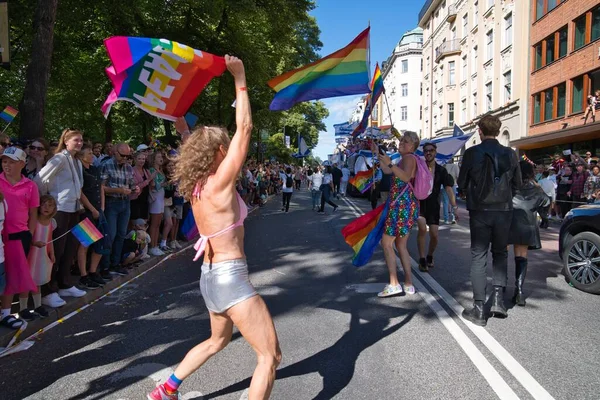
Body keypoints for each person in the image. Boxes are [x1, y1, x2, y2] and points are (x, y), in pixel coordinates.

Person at [148, 56, 281, 400]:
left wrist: (182, 126)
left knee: (217, 340)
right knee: (270, 356)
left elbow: (188, 141)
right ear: (221, 151)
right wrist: (240, 78)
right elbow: (246, 129)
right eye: (227, 146)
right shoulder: (221, 181)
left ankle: (166, 389)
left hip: (209, 277)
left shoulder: (195, 185)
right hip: (229, 275)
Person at [457, 115, 521, 326]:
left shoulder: (472, 152)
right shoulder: (510, 153)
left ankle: (478, 309)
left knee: (478, 255)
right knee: (501, 253)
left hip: (480, 209)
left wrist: (468, 192)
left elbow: (462, 181)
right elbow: (517, 183)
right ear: (498, 129)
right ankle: (497, 300)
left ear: (480, 131)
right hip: (503, 209)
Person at [36, 129, 86, 308]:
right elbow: (40, 179)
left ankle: (64, 283)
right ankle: (48, 290)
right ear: (66, 141)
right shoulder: (58, 159)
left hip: (74, 209)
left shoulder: (77, 161)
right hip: (60, 209)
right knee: (55, 250)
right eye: (76, 140)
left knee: (70, 248)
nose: (79, 143)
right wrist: (47, 203)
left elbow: (78, 187)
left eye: (81, 140)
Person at [372, 132, 420, 297]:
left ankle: (394, 284)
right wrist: (380, 155)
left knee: (386, 244)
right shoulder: (405, 159)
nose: (401, 143)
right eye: (401, 140)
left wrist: (390, 164)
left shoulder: (409, 158)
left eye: (406, 142)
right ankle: (409, 284)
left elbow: (405, 177)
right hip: (406, 206)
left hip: (400, 206)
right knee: (401, 245)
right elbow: (387, 170)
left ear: (413, 146)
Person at [0, 147, 38, 328]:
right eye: (4, 161)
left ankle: (6, 313)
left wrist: (29, 233)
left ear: (22, 164)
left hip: (19, 237)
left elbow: (33, 212)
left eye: (12, 162)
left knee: (12, 275)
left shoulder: (30, 186)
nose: (7, 165)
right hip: (0, 237)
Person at [507, 161, 550, 307]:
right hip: (526, 225)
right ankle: (519, 292)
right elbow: (546, 202)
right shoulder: (536, 189)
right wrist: (544, 218)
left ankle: (499, 288)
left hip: (508, 223)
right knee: (521, 257)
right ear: (531, 172)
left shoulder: (510, 186)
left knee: (501, 254)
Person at [416, 142, 459, 272]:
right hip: (420, 204)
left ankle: (430, 255)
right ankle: (422, 259)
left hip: (434, 206)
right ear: (423, 153)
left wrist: (454, 207)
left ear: (435, 152)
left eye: (431, 150)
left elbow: (448, 189)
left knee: (434, 235)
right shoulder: (419, 168)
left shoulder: (441, 170)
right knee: (422, 229)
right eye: (426, 151)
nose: (428, 153)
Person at [100, 143, 139, 275]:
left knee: (121, 234)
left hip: (125, 203)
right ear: (115, 152)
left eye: (128, 156)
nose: (125, 159)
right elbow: (101, 188)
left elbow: (132, 185)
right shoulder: (106, 165)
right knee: (110, 235)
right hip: (112, 202)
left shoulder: (128, 167)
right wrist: (119, 190)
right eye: (123, 155)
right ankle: (105, 266)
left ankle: (116, 263)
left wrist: (136, 189)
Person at [77, 144, 108, 287]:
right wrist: (92, 209)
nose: (92, 156)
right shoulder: (79, 171)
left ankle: (93, 271)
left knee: (102, 241)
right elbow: (80, 192)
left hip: (98, 209)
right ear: (81, 156)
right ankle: (83, 275)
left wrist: (101, 207)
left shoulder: (95, 169)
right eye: (89, 153)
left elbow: (101, 187)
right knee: (85, 243)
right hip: (86, 211)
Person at [26, 194, 57, 318]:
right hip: (31, 254)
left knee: (37, 281)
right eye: (43, 204)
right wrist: (34, 243)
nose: (46, 207)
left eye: (50, 205)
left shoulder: (51, 223)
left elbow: (50, 239)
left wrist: (52, 253)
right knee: (27, 280)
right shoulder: (33, 221)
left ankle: (37, 305)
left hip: (42, 255)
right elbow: (28, 238)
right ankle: (23, 307)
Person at [443, 159, 460, 224]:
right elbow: (458, 176)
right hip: (453, 185)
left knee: (445, 202)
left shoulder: (444, 166)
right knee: (453, 201)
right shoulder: (455, 166)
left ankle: (446, 219)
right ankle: (453, 218)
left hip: (444, 185)